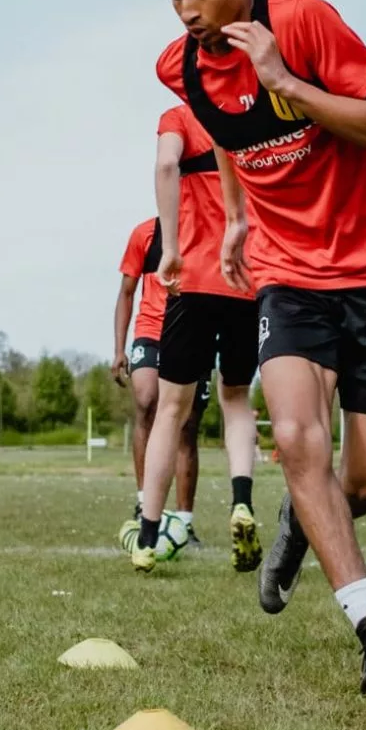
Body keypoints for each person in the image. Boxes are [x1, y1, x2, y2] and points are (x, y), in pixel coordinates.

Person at [153, 0, 366, 699]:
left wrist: (286, 84)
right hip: (287, 274)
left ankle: (301, 521)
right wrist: (237, 218)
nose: (187, 10)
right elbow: (229, 137)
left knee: (365, 482)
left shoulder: (303, 21)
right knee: (301, 438)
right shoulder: (181, 68)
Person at [128, 103, 264, 573]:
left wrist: (170, 246)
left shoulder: (178, 116)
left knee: (170, 410)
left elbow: (167, 164)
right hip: (247, 279)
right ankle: (241, 501)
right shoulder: (255, 116)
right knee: (237, 399)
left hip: (194, 279)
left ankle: (148, 533)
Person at [111, 215, 204, 547]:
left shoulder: (206, 228)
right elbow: (125, 292)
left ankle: (184, 521)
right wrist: (119, 349)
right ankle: (143, 503)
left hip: (193, 333)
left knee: (188, 423)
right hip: (150, 332)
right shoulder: (144, 234)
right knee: (148, 402)